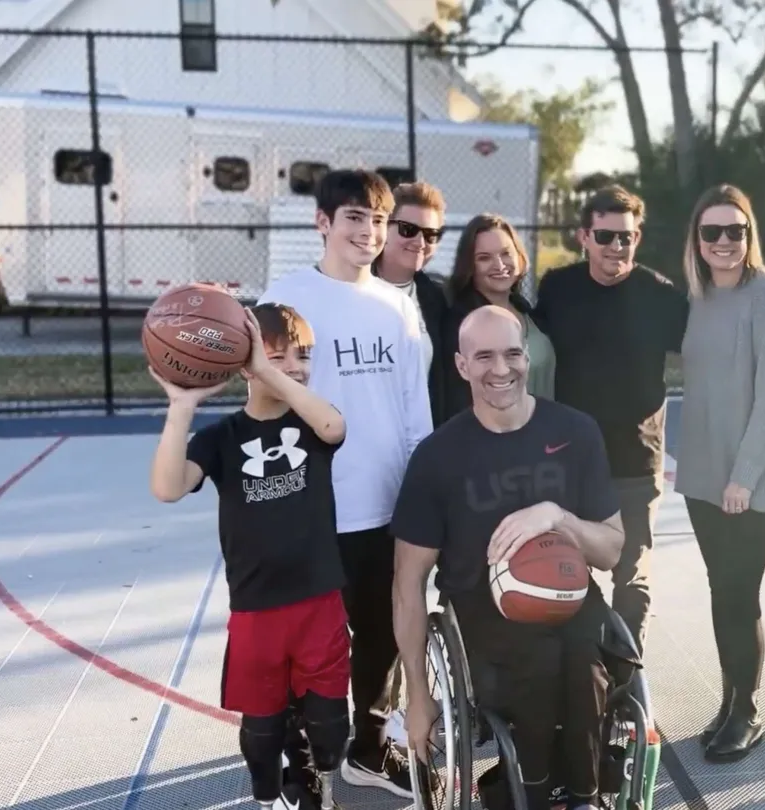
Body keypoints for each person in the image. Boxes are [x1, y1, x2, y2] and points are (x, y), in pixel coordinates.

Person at [392, 305, 625, 810]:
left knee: (586, 665)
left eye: (513, 353)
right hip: (480, 608)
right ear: (460, 366)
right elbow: (408, 583)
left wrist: (556, 516)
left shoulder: (576, 432)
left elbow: (610, 549)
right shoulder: (437, 457)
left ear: (528, 356)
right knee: (536, 661)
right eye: (484, 356)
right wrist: (417, 693)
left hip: (568, 590)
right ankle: (534, 796)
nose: (501, 369)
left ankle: (585, 798)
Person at [257, 168, 430, 797]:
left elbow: (414, 408)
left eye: (379, 220)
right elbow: (265, 397)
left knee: (383, 632)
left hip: (385, 506)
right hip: (313, 504)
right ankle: (300, 756)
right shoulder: (287, 297)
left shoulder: (397, 304)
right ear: (323, 222)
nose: (370, 231)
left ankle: (367, 747)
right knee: (307, 641)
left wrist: (423, 482)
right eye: (355, 218)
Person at [148, 304, 350, 810]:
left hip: (318, 600)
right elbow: (168, 488)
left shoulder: (310, 421)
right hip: (257, 607)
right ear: (243, 364)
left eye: (301, 355)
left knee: (329, 727)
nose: (294, 366)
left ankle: (319, 779)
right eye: (277, 355)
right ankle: (272, 794)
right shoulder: (223, 437)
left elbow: (333, 428)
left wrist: (270, 370)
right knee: (260, 735)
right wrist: (181, 406)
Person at [673, 185, 765, 763]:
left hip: (749, 478)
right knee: (722, 592)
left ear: (749, 236)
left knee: (739, 594)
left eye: (736, 231)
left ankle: (745, 713)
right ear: (696, 240)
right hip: (703, 475)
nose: (724, 242)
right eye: (712, 232)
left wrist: (744, 475)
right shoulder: (697, 297)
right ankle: (727, 704)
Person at [532, 185, 688, 651]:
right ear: (584, 236)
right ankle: (585, 675)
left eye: (627, 237)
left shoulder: (660, 295)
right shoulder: (557, 288)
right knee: (570, 571)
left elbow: (713, 349)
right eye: (605, 236)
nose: (616, 247)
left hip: (635, 462)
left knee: (631, 577)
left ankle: (626, 683)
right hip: (568, 461)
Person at [439, 213, 555, 420]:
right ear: (469, 266)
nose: (500, 265)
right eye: (484, 258)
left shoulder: (529, 312)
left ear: (519, 256)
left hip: (547, 436)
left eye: (506, 254)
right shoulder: (462, 325)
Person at [373, 181, 451, 427]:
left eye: (431, 235)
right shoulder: (351, 292)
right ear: (384, 227)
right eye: (408, 229)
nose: (420, 242)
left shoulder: (439, 301)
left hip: (422, 443)